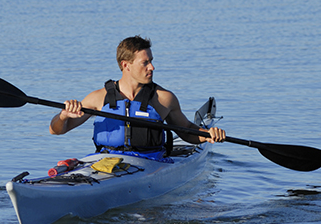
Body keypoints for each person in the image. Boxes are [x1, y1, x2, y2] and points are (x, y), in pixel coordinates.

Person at [49, 36, 225, 160]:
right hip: (105, 164)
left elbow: (186, 130)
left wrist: (207, 135)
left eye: (151, 61)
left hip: (150, 163)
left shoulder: (164, 99)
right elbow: (56, 130)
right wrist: (63, 116)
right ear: (126, 65)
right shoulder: (98, 98)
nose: (152, 67)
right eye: (145, 63)